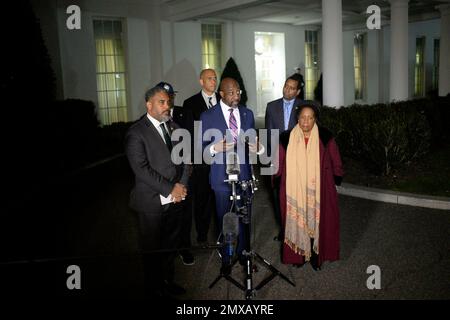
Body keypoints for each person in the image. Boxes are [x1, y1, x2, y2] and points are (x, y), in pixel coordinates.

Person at [125, 85, 189, 298]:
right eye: (162, 102)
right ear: (149, 104)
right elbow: (141, 169)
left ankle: (167, 282)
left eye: (168, 102)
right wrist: (171, 188)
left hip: (175, 201)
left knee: (170, 247)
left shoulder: (175, 127)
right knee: (152, 251)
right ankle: (153, 289)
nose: (167, 106)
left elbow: (187, 162)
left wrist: (181, 187)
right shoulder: (136, 132)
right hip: (151, 202)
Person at [200, 77, 263, 272]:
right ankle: (226, 257)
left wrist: (258, 148)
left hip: (243, 176)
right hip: (221, 178)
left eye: (238, 92)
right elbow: (201, 151)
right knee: (225, 219)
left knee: (244, 218)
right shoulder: (207, 116)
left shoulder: (247, 113)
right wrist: (214, 148)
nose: (236, 96)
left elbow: (253, 144)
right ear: (221, 94)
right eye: (231, 93)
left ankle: (244, 256)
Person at [276, 103, 343, 270]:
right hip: (294, 188)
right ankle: (298, 256)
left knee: (317, 221)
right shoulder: (286, 138)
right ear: (297, 119)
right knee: (298, 220)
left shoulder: (325, 137)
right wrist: (276, 179)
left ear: (315, 120)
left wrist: (337, 175)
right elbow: (278, 162)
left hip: (319, 189)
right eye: (303, 117)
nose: (306, 121)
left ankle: (315, 256)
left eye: (310, 118)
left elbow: (335, 158)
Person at [155, 81, 195, 266]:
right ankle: (164, 264)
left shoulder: (181, 117)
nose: (169, 100)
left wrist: (182, 184)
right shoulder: (145, 124)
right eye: (164, 96)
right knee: (163, 230)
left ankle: (184, 248)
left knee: (184, 219)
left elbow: (187, 156)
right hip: (161, 187)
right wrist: (170, 188)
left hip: (182, 182)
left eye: (171, 96)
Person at [265, 74, 305, 241]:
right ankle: (283, 230)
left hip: (299, 161)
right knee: (278, 196)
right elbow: (269, 134)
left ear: (298, 91)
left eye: (291, 88)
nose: (287, 90)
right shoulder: (272, 106)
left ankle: (299, 230)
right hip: (278, 160)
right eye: (286, 86)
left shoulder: (305, 107)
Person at [182, 69, 221, 245]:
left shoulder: (223, 100)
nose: (213, 81)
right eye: (209, 78)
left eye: (215, 78)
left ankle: (222, 233)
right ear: (201, 81)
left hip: (222, 158)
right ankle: (202, 235)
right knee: (202, 200)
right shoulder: (190, 103)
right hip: (202, 161)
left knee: (221, 198)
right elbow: (189, 133)